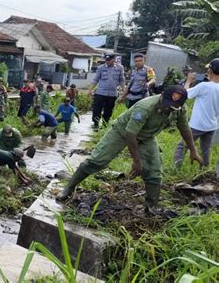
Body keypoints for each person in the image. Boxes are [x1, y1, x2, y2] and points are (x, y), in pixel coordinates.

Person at [56, 85, 203, 211]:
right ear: (162, 95)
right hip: (122, 132)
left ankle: (151, 206)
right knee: (97, 160)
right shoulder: (146, 106)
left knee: (154, 171)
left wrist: (193, 150)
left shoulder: (179, 110)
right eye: (166, 104)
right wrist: (136, 161)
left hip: (146, 137)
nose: (167, 108)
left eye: (172, 107)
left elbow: (184, 129)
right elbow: (130, 134)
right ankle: (68, 188)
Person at [174, 58, 219, 168]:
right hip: (212, 126)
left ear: (210, 71)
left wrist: (188, 81)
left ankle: (176, 168)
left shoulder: (203, 86)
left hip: (197, 125)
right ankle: (204, 170)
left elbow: (184, 95)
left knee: (182, 146)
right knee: (205, 150)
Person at [88, 53, 125, 129]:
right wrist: (90, 90)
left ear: (114, 59)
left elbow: (122, 80)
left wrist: (124, 92)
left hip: (112, 94)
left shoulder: (120, 68)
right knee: (97, 109)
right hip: (100, 93)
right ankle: (95, 123)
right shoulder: (101, 68)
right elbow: (95, 80)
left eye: (109, 60)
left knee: (108, 110)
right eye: (106, 60)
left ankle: (105, 124)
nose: (107, 61)